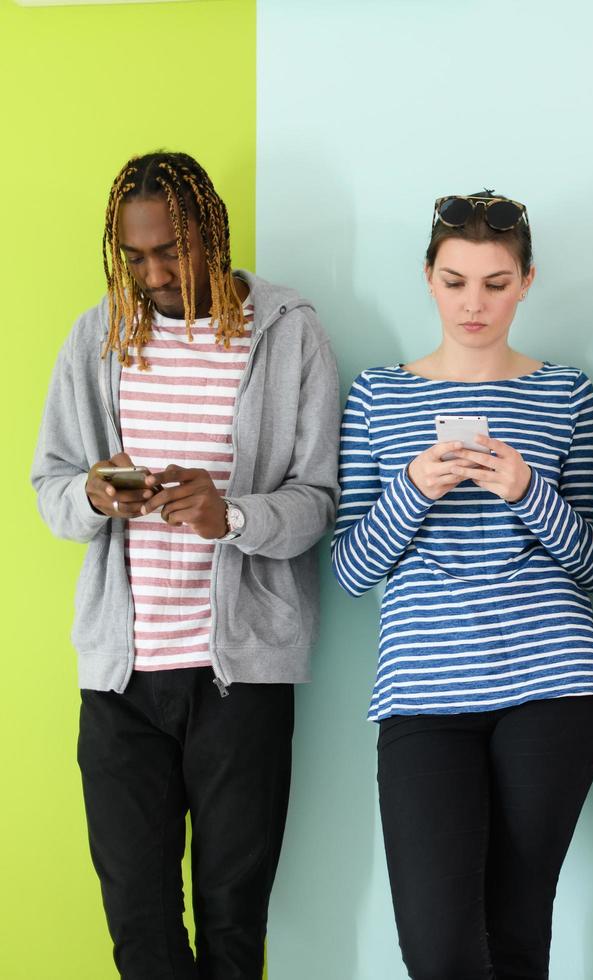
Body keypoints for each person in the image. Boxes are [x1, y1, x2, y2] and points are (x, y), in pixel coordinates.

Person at [31, 150, 340, 978]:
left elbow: (318, 502)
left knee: (234, 927)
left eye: (171, 249)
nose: (155, 272)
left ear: (211, 232)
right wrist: (96, 496)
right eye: (135, 257)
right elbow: (50, 487)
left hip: (239, 677)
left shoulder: (286, 331)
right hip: (121, 681)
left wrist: (230, 513)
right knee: (139, 926)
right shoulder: (99, 335)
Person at [331, 190, 593, 980]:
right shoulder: (379, 395)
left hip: (554, 685)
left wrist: (528, 491)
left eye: (495, 282)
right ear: (427, 278)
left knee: (517, 936)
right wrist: (414, 489)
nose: (474, 303)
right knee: (440, 949)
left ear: (527, 280)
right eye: (455, 281)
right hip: (422, 691)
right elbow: (351, 570)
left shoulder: (567, 393)